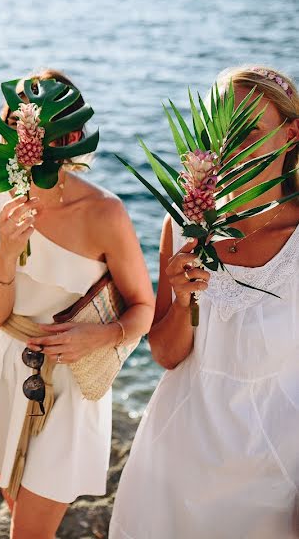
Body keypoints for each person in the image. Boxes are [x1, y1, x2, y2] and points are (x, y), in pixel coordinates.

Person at [0, 70, 154, 538]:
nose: (38, 143)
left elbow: (143, 304)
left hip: (70, 377)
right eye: (25, 129)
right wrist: (5, 250)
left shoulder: (104, 213)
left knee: (30, 532)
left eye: (53, 132)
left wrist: (103, 336)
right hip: (5, 364)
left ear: (74, 137)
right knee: (17, 512)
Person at [110, 65, 299, 539]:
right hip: (179, 456)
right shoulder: (186, 229)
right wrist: (180, 295)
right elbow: (168, 355)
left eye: (249, 130)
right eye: (221, 133)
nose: (232, 148)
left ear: (291, 131)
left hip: (277, 466)